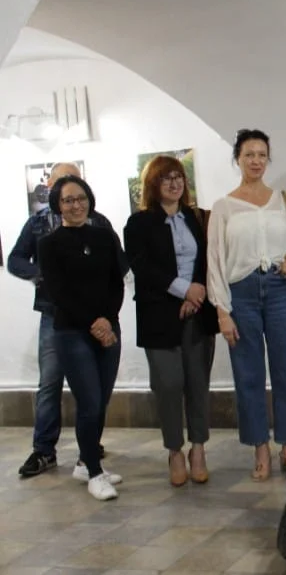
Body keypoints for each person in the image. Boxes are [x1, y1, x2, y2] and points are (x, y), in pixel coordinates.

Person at [207, 129, 286, 482]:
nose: (256, 161)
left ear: (269, 159)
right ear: (237, 159)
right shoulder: (223, 207)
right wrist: (222, 311)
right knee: (248, 374)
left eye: (262, 155)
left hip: (281, 289)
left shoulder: (283, 199)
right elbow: (215, 262)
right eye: (249, 154)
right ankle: (259, 448)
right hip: (242, 293)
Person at [8, 162, 112, 478]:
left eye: (75, 181)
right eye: (61, 183)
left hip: (94, 316)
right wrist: (44, 275)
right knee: (50, 383)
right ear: (51, 188)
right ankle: (44, 450)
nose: (71, 194)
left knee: (95, 387)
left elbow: (116, 265)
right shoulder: (38, 223)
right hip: (55, 314)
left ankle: (88, 452)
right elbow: (15, 259)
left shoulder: (98, 222)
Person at [123, 155, 219, 486]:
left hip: (198, 313)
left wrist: (196, 294)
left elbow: (208, 260)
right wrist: (183, 290)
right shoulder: (138, 223)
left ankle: (198, 449)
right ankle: (175, 451)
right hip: (159, 316)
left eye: (179, 177)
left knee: (198, 384)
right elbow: (143, 267)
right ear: (153, 184)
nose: (175, 183)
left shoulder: (196, 217)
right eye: (166, 178)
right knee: (168, 385)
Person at [38, 176, 128, 501]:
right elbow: (59, 293)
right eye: (68, 200)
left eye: (80, 198)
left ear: (89, 200)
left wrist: (107, 319)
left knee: (101, 400)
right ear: (58, 206)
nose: (76, 205)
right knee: (88, 402)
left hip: (108, 327)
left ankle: (84, 462)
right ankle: (94, 472)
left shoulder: (104, 236)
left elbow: (117, 282)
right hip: (72, 332)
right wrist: (94, 323)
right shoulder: (49, 244)